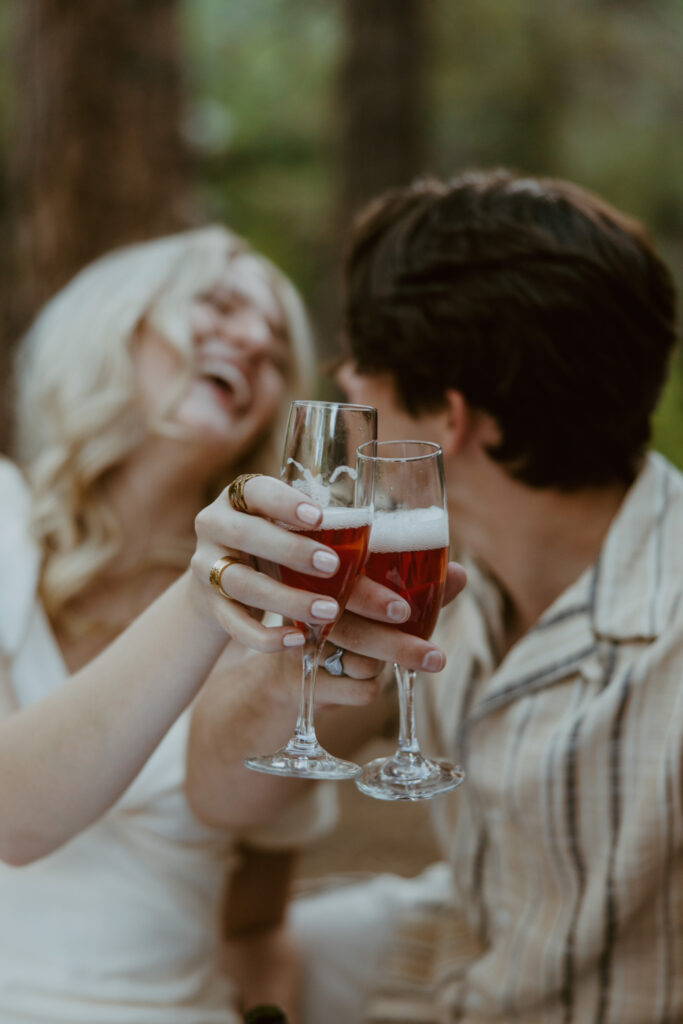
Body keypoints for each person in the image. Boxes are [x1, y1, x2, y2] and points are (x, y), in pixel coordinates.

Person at [185, 170, 682, 1024]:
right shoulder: (434, 572)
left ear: (448, 419)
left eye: (363, 364)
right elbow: (223, 793)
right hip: (451, 967)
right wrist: (296, 651)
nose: (344, 379)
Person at [0, 224, 453, 1023]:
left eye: (275, 345)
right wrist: (196, 597)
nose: (252, 341)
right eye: (217, 305)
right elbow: (14, 816)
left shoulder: (282, 602)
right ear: (109, 325)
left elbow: (252, 924)